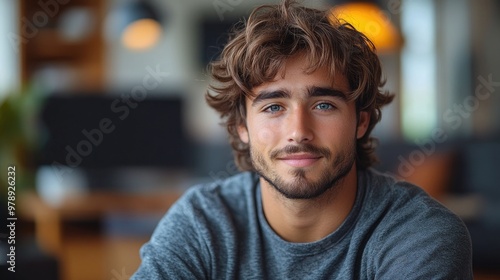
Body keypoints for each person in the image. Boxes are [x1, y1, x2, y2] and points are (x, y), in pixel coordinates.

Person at [133, 0, 473, 279]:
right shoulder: (202, 222)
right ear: (241, 127)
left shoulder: (420, 235)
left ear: (361, 122)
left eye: (324, 105)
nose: (298, 130)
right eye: (274, 106)